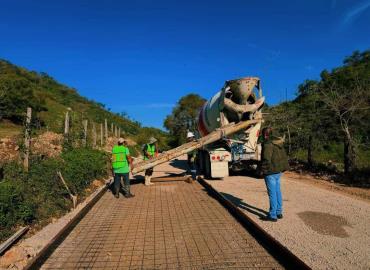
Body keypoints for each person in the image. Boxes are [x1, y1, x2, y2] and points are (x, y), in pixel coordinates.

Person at [260, 127, 289, 222]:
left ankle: (272, 215)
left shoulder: (268, 144)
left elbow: (266, 159)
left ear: (265, 135)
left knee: (272, 193)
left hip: (270, 172)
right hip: (278, 171)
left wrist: (262, 171)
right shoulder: (278, 142)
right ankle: (278, 212)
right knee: (277, 191)